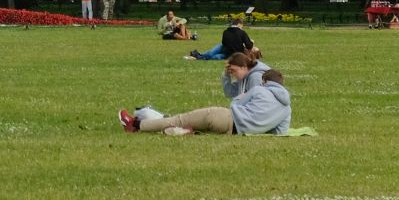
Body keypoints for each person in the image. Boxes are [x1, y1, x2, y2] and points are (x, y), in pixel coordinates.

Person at [121, 69, 293, 136]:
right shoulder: (287, 109)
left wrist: (240, 102)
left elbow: (235, 105)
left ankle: (136, 125)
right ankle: (182, 133)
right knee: (192, 126)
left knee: (179, 118)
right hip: (234, 132)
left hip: (225, 117)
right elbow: (280, 132)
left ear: (264, 81)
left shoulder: (258, 90)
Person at [189, 17, 253, 62]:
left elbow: (224, 42)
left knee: (215, 51)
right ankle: (199, 56)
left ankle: (198, 55)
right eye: (242, 26)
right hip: (234, 54)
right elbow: (249, 46)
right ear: (239, 24)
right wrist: (251, 41)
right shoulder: (242, 32)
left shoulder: (226, 32)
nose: (242, 28)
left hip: (226, 50)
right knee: (215, 57)